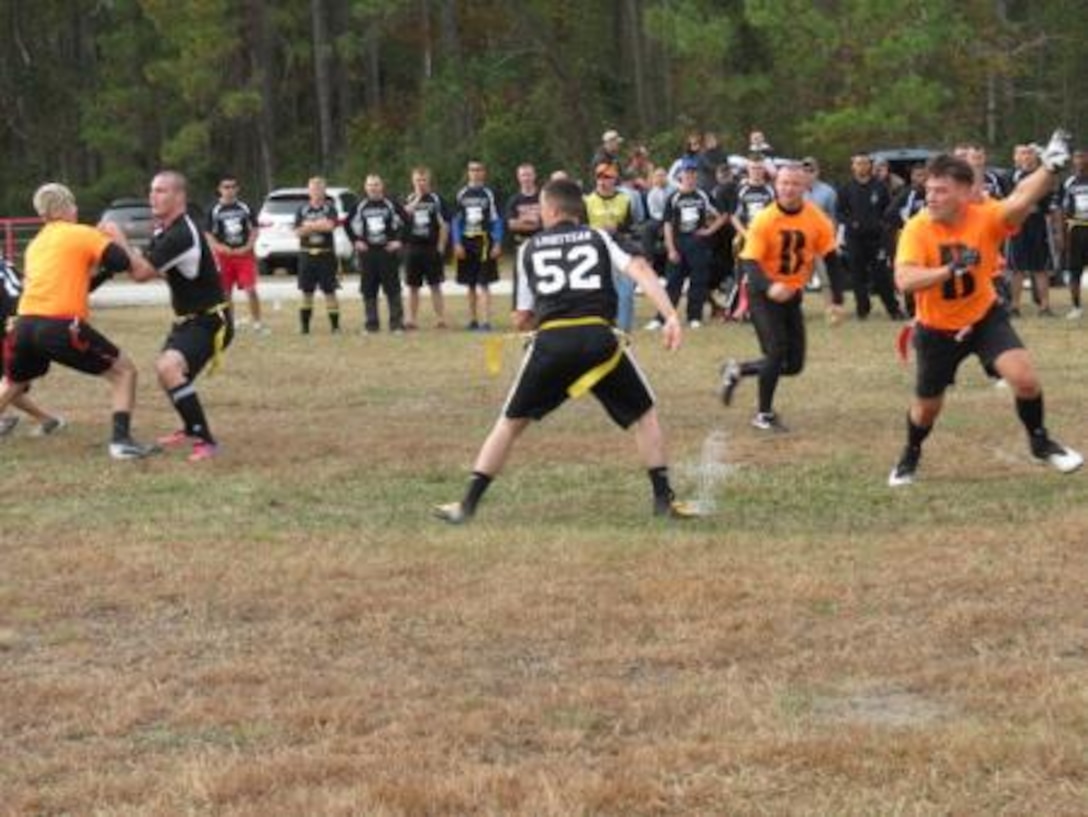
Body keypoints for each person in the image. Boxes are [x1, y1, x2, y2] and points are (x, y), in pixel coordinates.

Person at [433, 177, 698, 523]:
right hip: (599, 342)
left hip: (552, 343)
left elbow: (521, 317)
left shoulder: (529, 249)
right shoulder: (600, 237)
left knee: (509, 424)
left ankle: (467, 505)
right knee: (643, 416)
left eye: (542, 208)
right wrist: (671, 316)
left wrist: (535, 321)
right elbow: (641, 269)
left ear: (553, 209)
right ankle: (663, 499)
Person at [887, 137, 1082, 487]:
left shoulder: (985, 217)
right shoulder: (918, 227)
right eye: (929, 190)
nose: (931, 197)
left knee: (1024, 379)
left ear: (965, 193)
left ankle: (1040, 442)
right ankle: (910, 453)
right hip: (936, 328)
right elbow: (905, 279)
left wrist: (1050, 167)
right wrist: (950, 270)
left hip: (982, 317)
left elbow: (1023, 197)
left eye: (941, 191)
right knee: (927, 408)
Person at [0, 182, 158, 459]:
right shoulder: (80, 233)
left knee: (13, 382)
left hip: (24, 325)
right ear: (65, 208)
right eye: (74, 205)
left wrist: (102, 273)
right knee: (124, 372)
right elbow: (121, 261)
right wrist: (116, 236)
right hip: (59, 326)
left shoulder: (37, 244)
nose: (77, 210)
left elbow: (77, 286)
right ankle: (121, 442)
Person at [718, 163, 844, 431]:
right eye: (784, 183)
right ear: (776, 185)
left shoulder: (816, 218)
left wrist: (836, 300)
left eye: (795, 183)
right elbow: (750, 262)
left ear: (805, 186)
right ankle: (764, 414)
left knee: (794, 364)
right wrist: (770, 285)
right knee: (775, 353)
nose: (789, 188)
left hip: (792, 294)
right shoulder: (765, 219)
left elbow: (831, 259)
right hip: (762, 293)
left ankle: (738, 370)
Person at [134, 171, 235, 462]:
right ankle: (190, 428)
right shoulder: (167, 229)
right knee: (167, 374)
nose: (153, 196)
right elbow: (146, 263)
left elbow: (140, 272)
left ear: (180, 196)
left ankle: (206, 440)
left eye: (161, 191)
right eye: (152, 190)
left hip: (210, 320)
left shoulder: (181, 233)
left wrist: (115, 241)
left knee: (169, 368)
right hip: (190, 319)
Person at [648, 158, 728, 329]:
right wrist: (670, 249)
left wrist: (709, 230)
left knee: (698, 281)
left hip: (698, 243)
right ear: (680, 175)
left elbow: (724, 215)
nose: (690, 176)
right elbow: (667, 224)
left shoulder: (703, 195)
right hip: (678, 243)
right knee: (673, 282)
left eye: (693, 173)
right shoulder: (673, 197)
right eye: (687, 173)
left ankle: (694, 317)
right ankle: (663, 317)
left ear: (696, 175)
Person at [0, 254, 66, 439]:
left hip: (14, 323)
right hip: (26, 317)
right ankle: (46, 419)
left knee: (13, 381)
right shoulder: (5, 262)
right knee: (11, 382)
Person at [839, 152, 904, 320]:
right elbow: (840, 212)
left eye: (865, 163)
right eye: (858, 163)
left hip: (877, 239)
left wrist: (883, 224)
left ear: (870, 165)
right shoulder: (846, 188)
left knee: (881, 274)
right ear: (853, 166)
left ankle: (893, 309)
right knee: (857, 275)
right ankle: (862, 309)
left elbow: (888, 210)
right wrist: (850, 222)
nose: (862, 166)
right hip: (854, 239)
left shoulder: (880, 187)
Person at [346, 174, 406, 333]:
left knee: (393, 289)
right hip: (368, 254)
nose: (373, 188)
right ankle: (371, 325)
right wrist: (356, 241)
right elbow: (347, 224)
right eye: (370, 185)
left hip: (387, 253)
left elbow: (407, 222)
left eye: (376, 184)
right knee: (369, 289)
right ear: (365, 187)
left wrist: (399, 241)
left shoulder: (391, 204)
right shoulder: (360, 205)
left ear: (382, 186)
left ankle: (397, 325)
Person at [206, 175, 265, 334]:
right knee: (225, 292)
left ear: (237, 189)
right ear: (220, 190)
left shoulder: (245, 207)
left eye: (232, 187)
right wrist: (219, 248)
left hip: (244, 255)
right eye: (226, 187)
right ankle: (230, 324)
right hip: (224, 257)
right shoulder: (214, 210)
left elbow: (255, 229)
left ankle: (257, 323)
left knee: (251, 289)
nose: (229, 190)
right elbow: (208, 234)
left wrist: (247, 246)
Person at [1007, 143, 1059, 317]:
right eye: (1022, 153)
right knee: (1016, 267)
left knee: (1040, 267)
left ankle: (1044, 306)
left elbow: (1047, 201)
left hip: (1038, 224)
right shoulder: (1011, 176)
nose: (1027, 156)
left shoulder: (1043, 175)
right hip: (1017, 224)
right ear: (1016, 157)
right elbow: (1009, 200)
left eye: (1030, 153)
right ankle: (1014, 306)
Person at [584, 163, 637, 332]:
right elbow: (582, 228)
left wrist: (618, 228)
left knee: (626, 292)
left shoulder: (625, 199)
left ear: (615, 180)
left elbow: (631, 227)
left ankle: (623, 331)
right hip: (596, 251)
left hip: (620, 249)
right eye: (599, 177)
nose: (602, 181)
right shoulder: (588, 201)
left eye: (607, 177)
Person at [451, 160, 503, 331]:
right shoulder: (462, 194)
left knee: (484, 283)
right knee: (470, 283)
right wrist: (457, 243)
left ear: (484, 172)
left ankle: (486, 321)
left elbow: (497, 220)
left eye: (479, 169)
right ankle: (473, 320)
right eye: (472, 170)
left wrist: (497, 242)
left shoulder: (489, 194)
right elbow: (456, 221)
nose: (475, 173)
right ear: (468, 172)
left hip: (485, 242)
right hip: (466, 241)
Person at [402, 166, 449, 329]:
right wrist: (418, 198)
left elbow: (444, 224)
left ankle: (441, 319)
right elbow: (404, 214)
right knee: (413, 286)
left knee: (435, 285)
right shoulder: (408, 198)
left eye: (423, 180)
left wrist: (441, 246)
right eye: (417, 180)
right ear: (412, 181)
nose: (421, 183)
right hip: (413, 247)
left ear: (429, 180)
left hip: (431, 248)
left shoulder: (436, 199)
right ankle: (411, 320)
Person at [294, 176, 341, 334]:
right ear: (309, 191)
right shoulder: (301, 209)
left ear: (324, 191)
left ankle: (335, 327)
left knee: (330, 292)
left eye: (319, 189)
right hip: (307, 255)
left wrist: (309, 225)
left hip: (326, 255)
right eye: (313, 189)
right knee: (307, 292)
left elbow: (330, 226)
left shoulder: (330, 208)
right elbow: (298, 231)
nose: (316, 192)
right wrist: (318, 225)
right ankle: (305, 328)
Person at [1060, 148, 1088, 319]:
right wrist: (1062, 235)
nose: (1080, 161)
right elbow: (1063, 210)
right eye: (1076, 157)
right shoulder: (1070, 182)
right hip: (1076, 229)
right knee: (1074, 269)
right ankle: (1076, 306)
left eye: (1083, 157)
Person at [504, 163, 543, 248]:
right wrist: (535, 223)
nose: (526, 178)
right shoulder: (513, 200)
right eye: (523, 175)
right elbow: (512, 225)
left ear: (534, 176)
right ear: (518, 177)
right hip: (521, 243)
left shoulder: (543, 197)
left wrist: (522, 221)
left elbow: (548, 222)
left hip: (542, 242)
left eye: (529, 175)